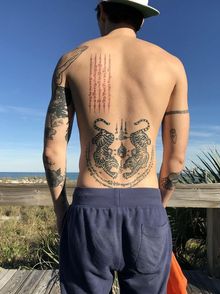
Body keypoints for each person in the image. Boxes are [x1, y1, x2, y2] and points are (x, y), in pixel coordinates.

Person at [42, 0, 190, 293]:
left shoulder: (71, 61)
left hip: (88, 211)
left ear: (102, 12)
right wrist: (154, 209)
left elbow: (52, 151)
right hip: (148, 210)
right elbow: (176, 159)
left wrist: (63, 214)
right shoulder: (172, 66)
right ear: (142, 20)